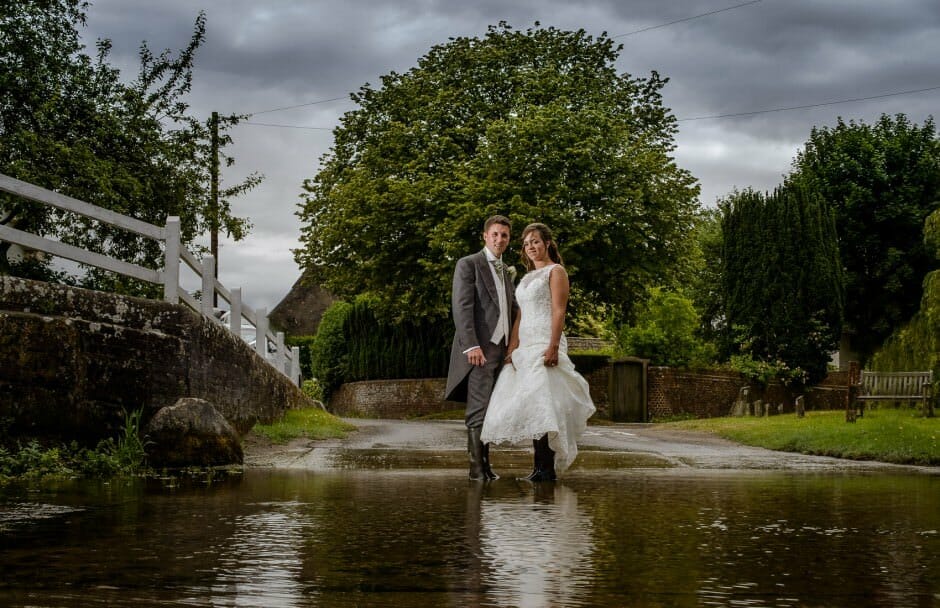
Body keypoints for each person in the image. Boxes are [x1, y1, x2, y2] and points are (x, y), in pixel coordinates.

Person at [481, 222, 596, 481]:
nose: (530, 247)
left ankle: (546, 468)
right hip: (526, 345)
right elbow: (520, 315)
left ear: (546, 243)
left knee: (545, 404)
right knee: (533, 404)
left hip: (545, 342)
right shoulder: (527, 277)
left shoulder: (556, 272)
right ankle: (538, 467)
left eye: (535, 241)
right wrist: (512, 348)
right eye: (526, 243)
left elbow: (558, 310)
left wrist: (553, 346)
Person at [445, 215, 519, 481]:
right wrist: (471, 345)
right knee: (478, 408)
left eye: (505, 236)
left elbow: (511, 310)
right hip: (480, 350)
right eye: (496, 234)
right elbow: (462, 307)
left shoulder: (506, 270)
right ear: (485, 236)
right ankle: (476, 470)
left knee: (492, 408)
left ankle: (486, 466)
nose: (500, 239)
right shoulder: (469, 264)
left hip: (502, 349)